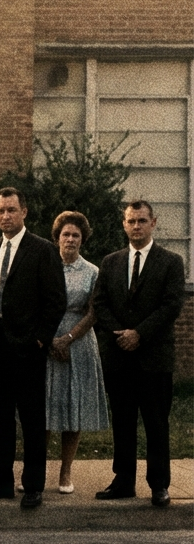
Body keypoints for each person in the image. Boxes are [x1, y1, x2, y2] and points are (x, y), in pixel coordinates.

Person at [0, 187, 66, 509]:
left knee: (31, 418)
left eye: (11, 210)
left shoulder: (42, 250)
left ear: (23, 211)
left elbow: (56, 301)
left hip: (27, 346)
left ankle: (33, 485)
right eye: (0, 211)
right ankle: (0, 481)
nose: (5, 216)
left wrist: (40, 338)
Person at [92, 201, 186, 507]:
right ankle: (123, 481)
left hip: (154, 358)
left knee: (156, 423)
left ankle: (159, 484)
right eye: (131, 221)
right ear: (123, 224)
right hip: (119, 357)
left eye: (142, 221)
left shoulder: (170, 262)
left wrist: (139, 334)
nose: (136, 226)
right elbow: (100, 304)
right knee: (123, 421)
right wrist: (121, 333)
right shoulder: (111, 262)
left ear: (153, 223)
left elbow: (171, 305)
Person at [44, 211, 108, 495]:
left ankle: (66, 471)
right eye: (65, 235)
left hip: (78, 343)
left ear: (82, 239)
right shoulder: (45, 267)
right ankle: (37, 470)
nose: (70, 239)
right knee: (44, 406)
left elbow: (95, 312)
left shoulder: (92, 271)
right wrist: (50, 340)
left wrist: (68, 339)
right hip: (46, 340)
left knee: (73, 407)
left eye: (75, 235)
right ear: (57, 237)